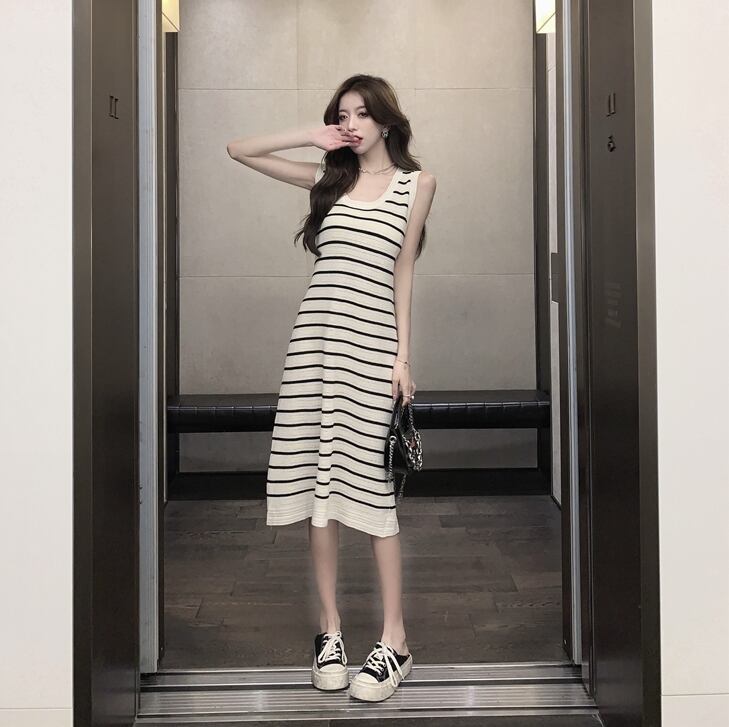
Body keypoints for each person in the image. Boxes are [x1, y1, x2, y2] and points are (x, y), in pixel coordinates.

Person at [226, 73, 436, 702]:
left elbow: (404, 271)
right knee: (320, 489)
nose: (350, 124)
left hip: (373, 350)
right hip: (314, 347)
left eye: (361, 113)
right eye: (342, 115)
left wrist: (403, 358)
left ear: (386, 121)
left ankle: (395, 640)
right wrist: (310, 136)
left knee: (372, 492)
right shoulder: (329, 179)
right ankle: (330, 631)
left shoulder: (417, 185)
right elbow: (238, 149)